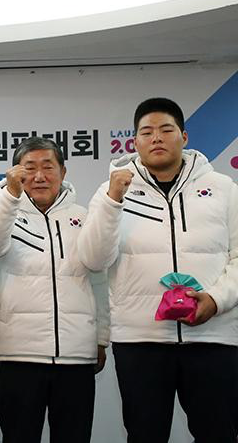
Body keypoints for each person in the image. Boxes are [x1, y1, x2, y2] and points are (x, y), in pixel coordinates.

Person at [78, 97, 238, 442]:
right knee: (145, 434)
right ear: (134, 142)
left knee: (218, 433)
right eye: (146, 132)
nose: (157, 138)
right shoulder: (110, 192)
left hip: (213, 338)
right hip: (141, 340)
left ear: (184, 136)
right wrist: (112, 202)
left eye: (166, 130)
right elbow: (92, 259)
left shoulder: (224, 189)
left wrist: (215, 299)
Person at [0, 136, 109, 443]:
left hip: (75, 357)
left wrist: (101, 337)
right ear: (15, 173)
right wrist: (10, 197)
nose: (38, 176)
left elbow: (99, 281)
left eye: (48, 167)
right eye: (29, 168)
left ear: (63, 171)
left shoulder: (85, 217)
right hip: (18, 357)